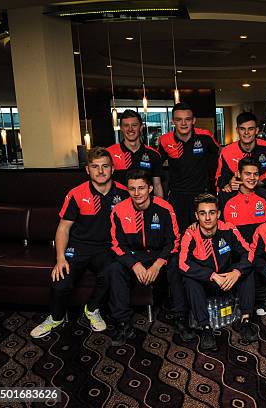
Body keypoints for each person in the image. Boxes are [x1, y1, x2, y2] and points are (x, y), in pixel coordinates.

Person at [30, 148, 129, 338]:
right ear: (87, 170)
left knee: (113, 272)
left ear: (112, 169)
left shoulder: (124, 193)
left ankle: (92, 309)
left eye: (105, 166)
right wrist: (60, 258)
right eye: (95, 167)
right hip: (78, 246)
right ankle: (55, 317)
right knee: (61, 282)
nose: (100, 171)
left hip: (107, 248)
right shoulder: (76, 194)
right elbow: (63, 228)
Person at [108, 169, 190, 346]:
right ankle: (123, 323)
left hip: (159, 255)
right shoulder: (119, 210)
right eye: (132, 189)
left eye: (141, 188)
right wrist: (134, 265)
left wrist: (158, 264)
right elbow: (117, 244)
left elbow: (174, 240)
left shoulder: (164, 208)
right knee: (115, 268)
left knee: (177, 264)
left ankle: (181, 318)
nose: (137, 193)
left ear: (150, 188)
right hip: (134, 256)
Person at [179, 194, 257, 351]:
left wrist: (236, 272)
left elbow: (249, 253)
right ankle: (206, 328)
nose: (207, 218)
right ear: (196, 215)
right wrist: (211, 276)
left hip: (228, 279)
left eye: (212, 212)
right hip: (206, 283)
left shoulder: (228, 228)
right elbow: (183, 264)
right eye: (203, 213)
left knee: (248, 272)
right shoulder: (190, 234)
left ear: (218, 214)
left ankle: (246, 321)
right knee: (189, 279)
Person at [158, 102, 220, 231]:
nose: (183, 123)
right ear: (173, 121)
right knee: (178, 233)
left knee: (202, 232)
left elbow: (220, 157)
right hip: (177, 196)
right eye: (179, 120)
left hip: (201, 194)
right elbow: (155, 165)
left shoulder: (205, 136)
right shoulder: (165, 140)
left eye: (187, 119)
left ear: (194, 121)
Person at [216, 112, 266, 192]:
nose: (246, 133)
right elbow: (220, 178)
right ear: (237, 130)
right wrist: (227, 184)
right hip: (239, 198)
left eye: (251, 129)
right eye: (242, 129)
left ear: (256, 130)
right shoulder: (227, 152)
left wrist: (262, 182)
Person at [106, 109, 164, 197]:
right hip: (119, 206)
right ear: (121, 128)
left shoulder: (153, 154)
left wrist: (161, 208)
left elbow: (157, 185)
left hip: (146, 207)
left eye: (134, 125)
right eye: (126, 125)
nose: (130, 129)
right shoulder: (109, 153)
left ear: (141, 127)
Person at [218, 157, 266, 242]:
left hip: (259, 251)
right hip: (234, 252)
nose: (252, 177)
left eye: (255, 174)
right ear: (239, 174)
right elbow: (217, 226)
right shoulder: (225, 197)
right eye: (247, 174)